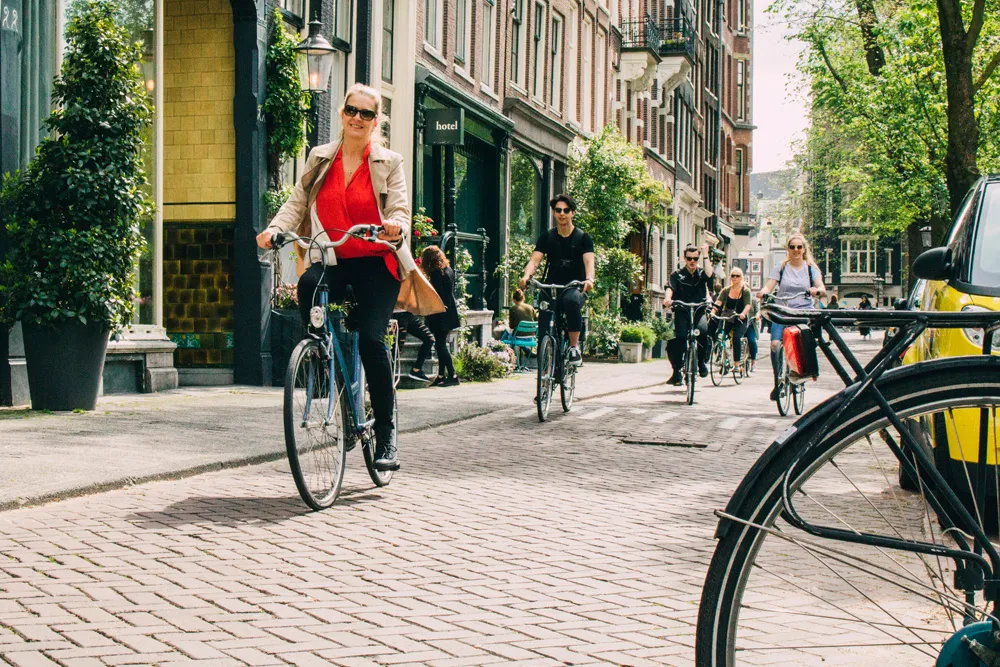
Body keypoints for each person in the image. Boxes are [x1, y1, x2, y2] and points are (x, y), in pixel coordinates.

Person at [256, 83, 407, 472]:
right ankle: (323, 357)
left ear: (376, 121)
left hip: (377, 262)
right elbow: (298, 201)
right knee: (308, 284)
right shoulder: (321, 157)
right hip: (336, 255)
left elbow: (400, 208)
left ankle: (386, 434)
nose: (357, 118)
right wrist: (275, 229)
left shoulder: (389, 162)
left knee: (371, 340)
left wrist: (394, 226)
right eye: (351, 111)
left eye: (366, 114)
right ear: (342, 113)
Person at [518, 194, 596, 366]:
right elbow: (534, 261)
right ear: (553, 212)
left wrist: (589, 279)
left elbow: (589, 262)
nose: (562, 214)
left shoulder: (583, 238)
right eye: (558, 210)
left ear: (572, 213)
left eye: (566, 210)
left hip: (574, 286)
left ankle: (574, 347)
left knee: (571, 301)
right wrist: (526, 276)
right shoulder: (547, 237)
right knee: (544, 314)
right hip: (551, 286)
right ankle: (547, 352)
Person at [757, 231, 827, 400]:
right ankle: (778, 381)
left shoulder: (811, 269)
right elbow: (769, 285)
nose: (796, 250)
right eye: (792, 247)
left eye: (799, 247)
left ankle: (800, 373)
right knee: (775, 344)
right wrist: (763, 292)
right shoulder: (780, 267)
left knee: (802, 344)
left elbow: (822, 288)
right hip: (783, 310)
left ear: (804, 249)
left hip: (803, 311)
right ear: (788, 249)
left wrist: (816, 290)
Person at [663, 243, 715, 385]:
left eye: (695, 258)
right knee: (679, 338)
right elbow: (670, 287)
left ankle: (701, 363)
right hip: (682, 310)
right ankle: (677, 371)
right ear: (685, 259)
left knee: (702, 332)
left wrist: (706, 255)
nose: (692, 261)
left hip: (699, 310)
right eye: (689, 258)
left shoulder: (701, 273)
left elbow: (709, 275)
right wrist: (667, 298)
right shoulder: (677, 275)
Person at [422, 246, 461, 387]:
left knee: (440, 344)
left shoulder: (436, 273)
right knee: (441, 343)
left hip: (440, 312)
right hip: (449, 310)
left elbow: (436, 294)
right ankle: (441, 375)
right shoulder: (448, 269)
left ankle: (452, 375)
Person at [713, 267, 753, 364]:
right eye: (732, 276)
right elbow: (718, 302)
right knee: (719, 335)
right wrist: (713, 312)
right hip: (728, 318)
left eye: (737, 276)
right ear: (730, 277)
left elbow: (748, 304)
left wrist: (743, 313)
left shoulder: (745, 291)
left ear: (741, 277)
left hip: (740, 319)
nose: (734, 278)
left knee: (736, 338)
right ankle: (722, 357)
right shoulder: (726, 290)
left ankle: (736, 364)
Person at [394, 310, 435, 382]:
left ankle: (416, 370)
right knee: (395, 350)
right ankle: (384, 380)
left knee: (429, 339)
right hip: (394, 315)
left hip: (407, 314)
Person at [744, 293, 761, 372]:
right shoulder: (739, 299)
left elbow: (758, 311)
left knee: (752, 341)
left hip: (750, 325)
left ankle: (753, 362)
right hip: (741, 325)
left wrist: (756, 316)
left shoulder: (753, 301)